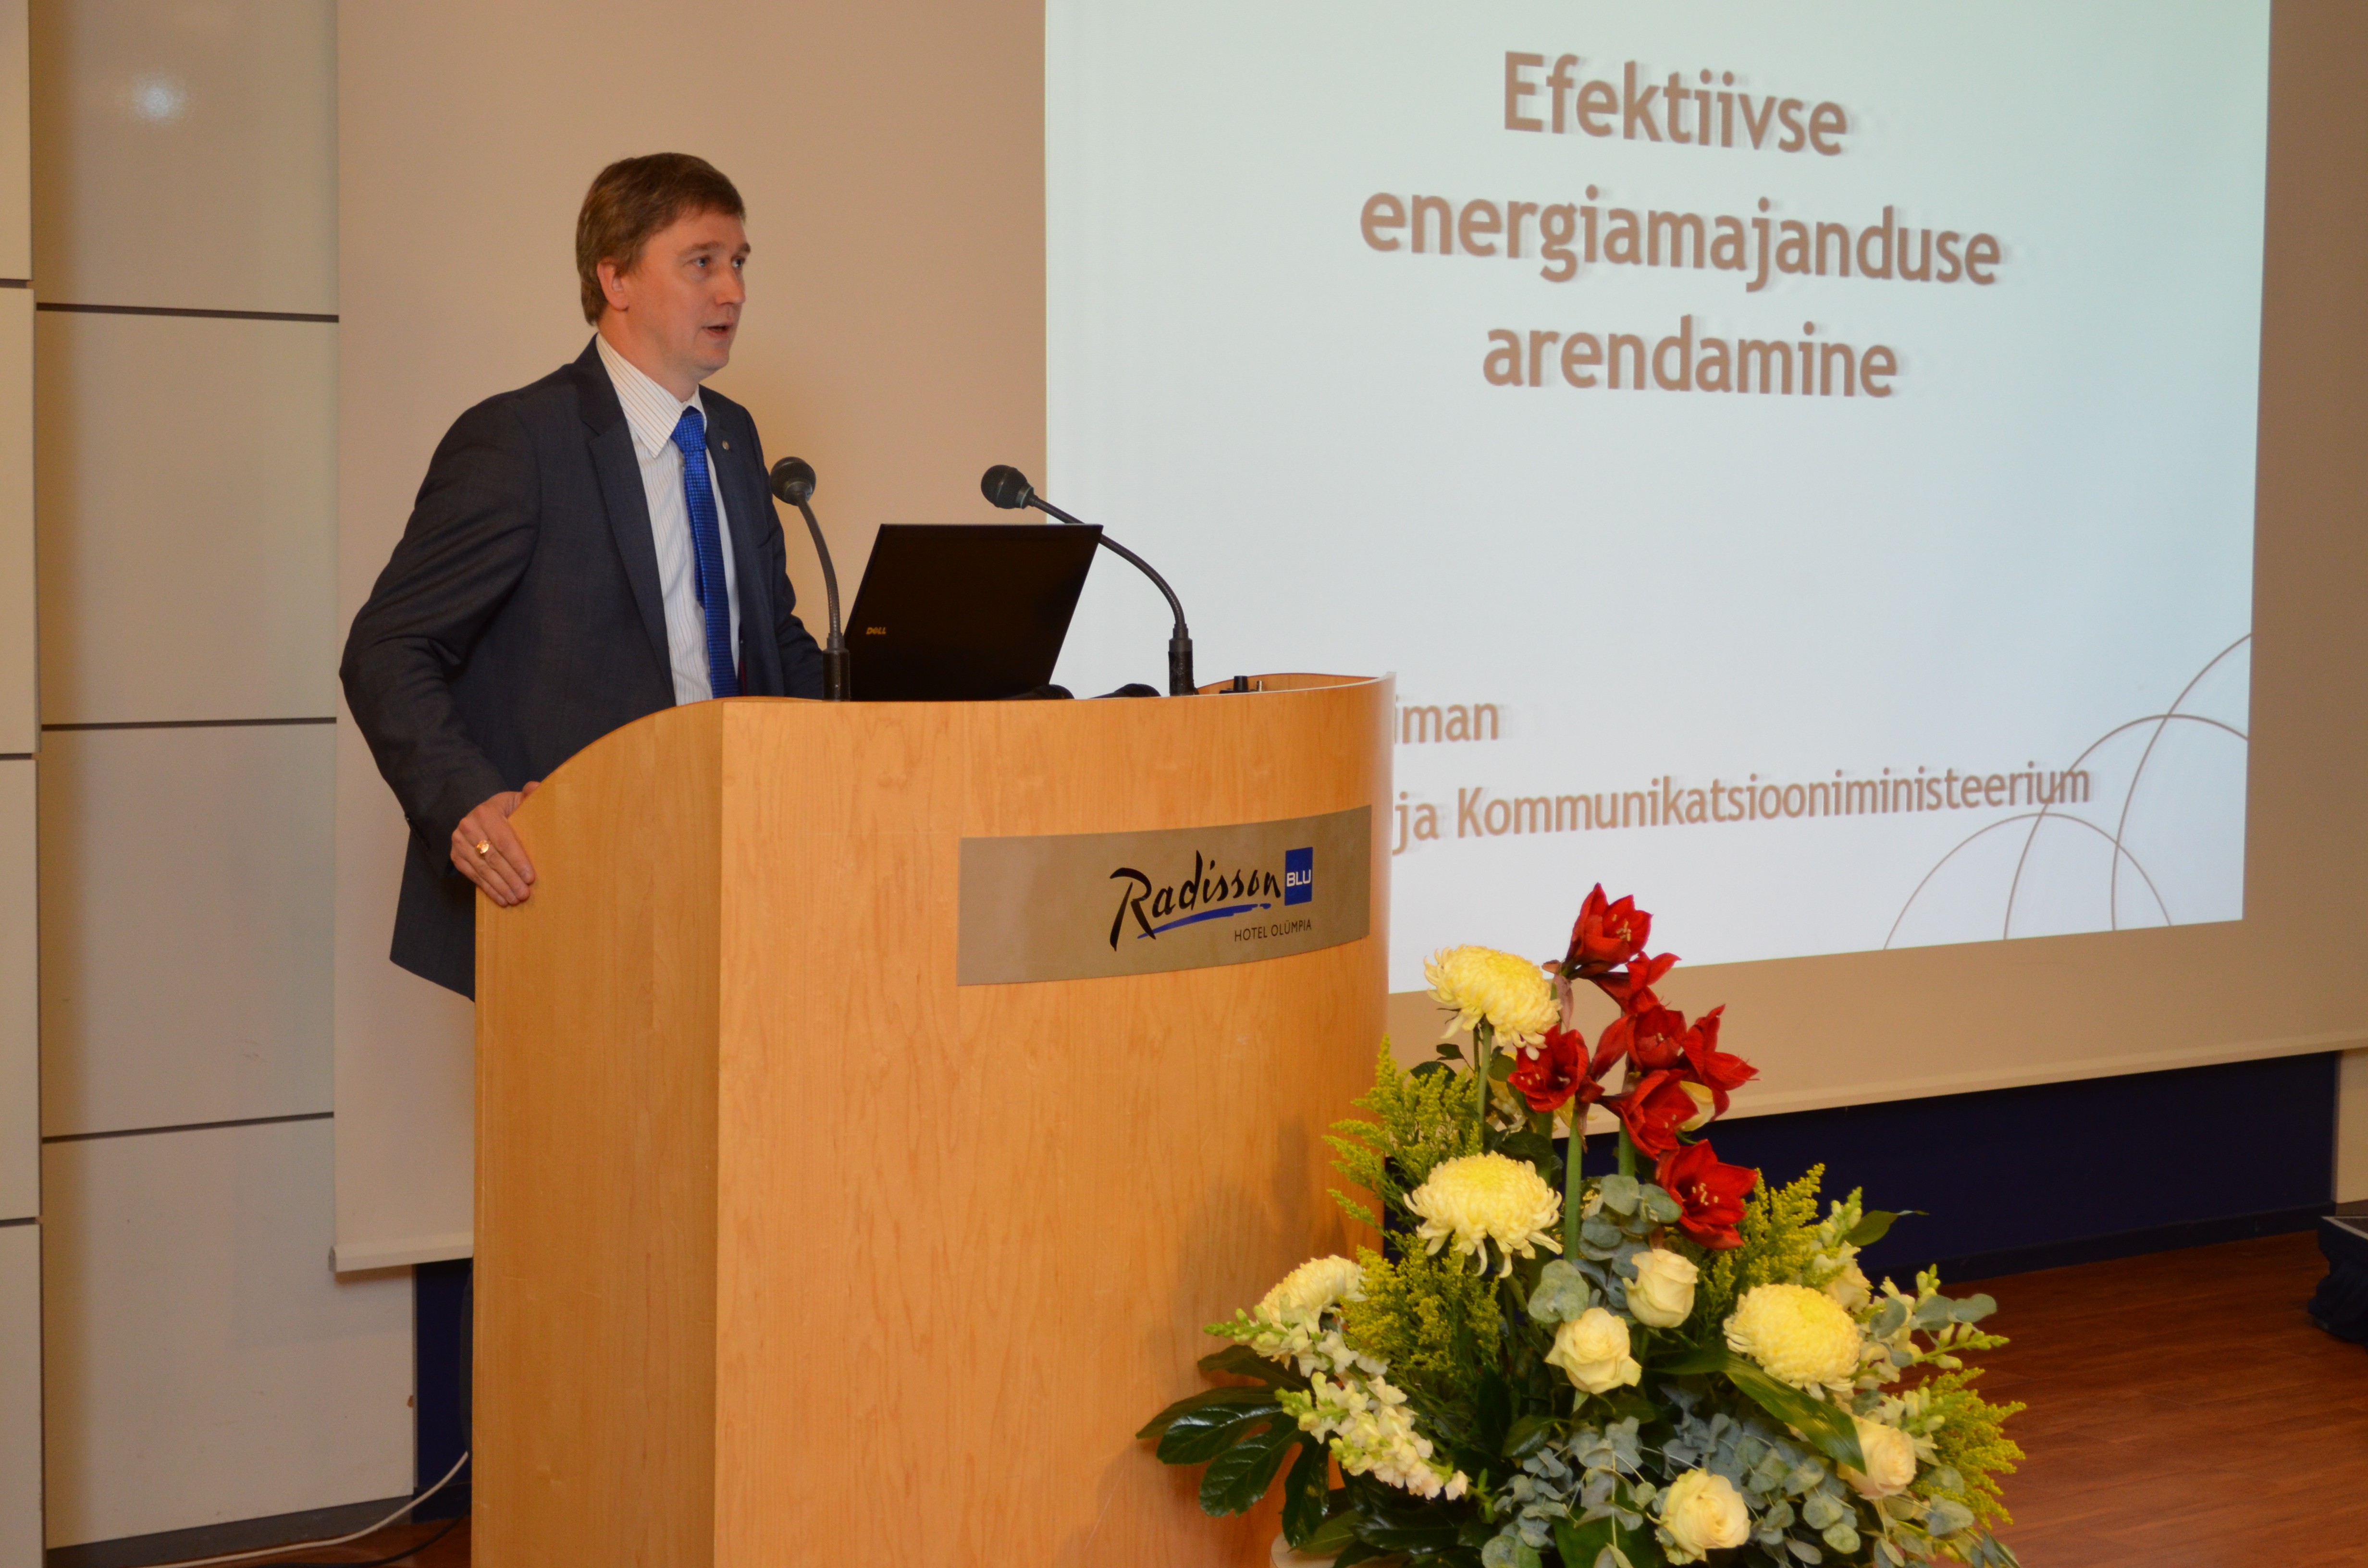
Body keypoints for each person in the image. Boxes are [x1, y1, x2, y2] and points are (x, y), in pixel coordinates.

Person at [342, 153, 825, 997]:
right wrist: (465, 802)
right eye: (702, 262)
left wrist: (895, 730)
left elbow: (770, 640)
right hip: (575, 879)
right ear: (616, 278)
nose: (733, 291)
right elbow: (388, 647)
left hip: (734, 858)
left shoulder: (733, 438)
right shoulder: (521, 440)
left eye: (739, 263)